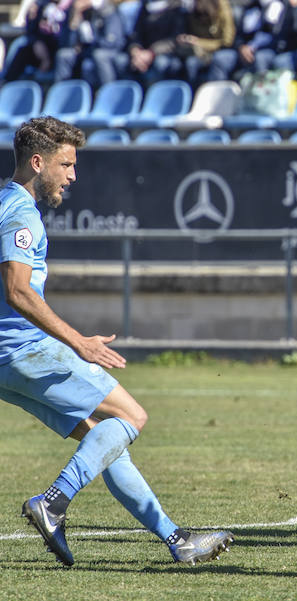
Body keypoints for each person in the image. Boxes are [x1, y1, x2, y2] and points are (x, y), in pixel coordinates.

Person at [3, 117, 234, 567]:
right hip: (24, 350)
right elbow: (17, 290)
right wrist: (78, 342)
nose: (73, 175)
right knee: (132, 415)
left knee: (103, 441)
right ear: (37, 162)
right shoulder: (20, 212)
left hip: (5, 362)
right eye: (66, 164)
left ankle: (176, 540)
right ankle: (52, 503)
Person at [54, 0, 127, 89]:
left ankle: (109, 91)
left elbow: (112, 41)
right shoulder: (78, 12)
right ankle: (61, 93)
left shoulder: (107, 10)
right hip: (88, 50)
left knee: (99, 56)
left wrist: (90, 46)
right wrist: (75, 18)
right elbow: (68, 43)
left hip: (107, 50)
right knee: (64, 55)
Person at [177, 0, 235, 86]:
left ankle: (216, 95)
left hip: (224, 50)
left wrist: (199, 42)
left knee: (219, 59)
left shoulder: (222, 7)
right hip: (201, 52)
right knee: (191, 63)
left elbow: (227, 41)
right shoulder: (193, 10)